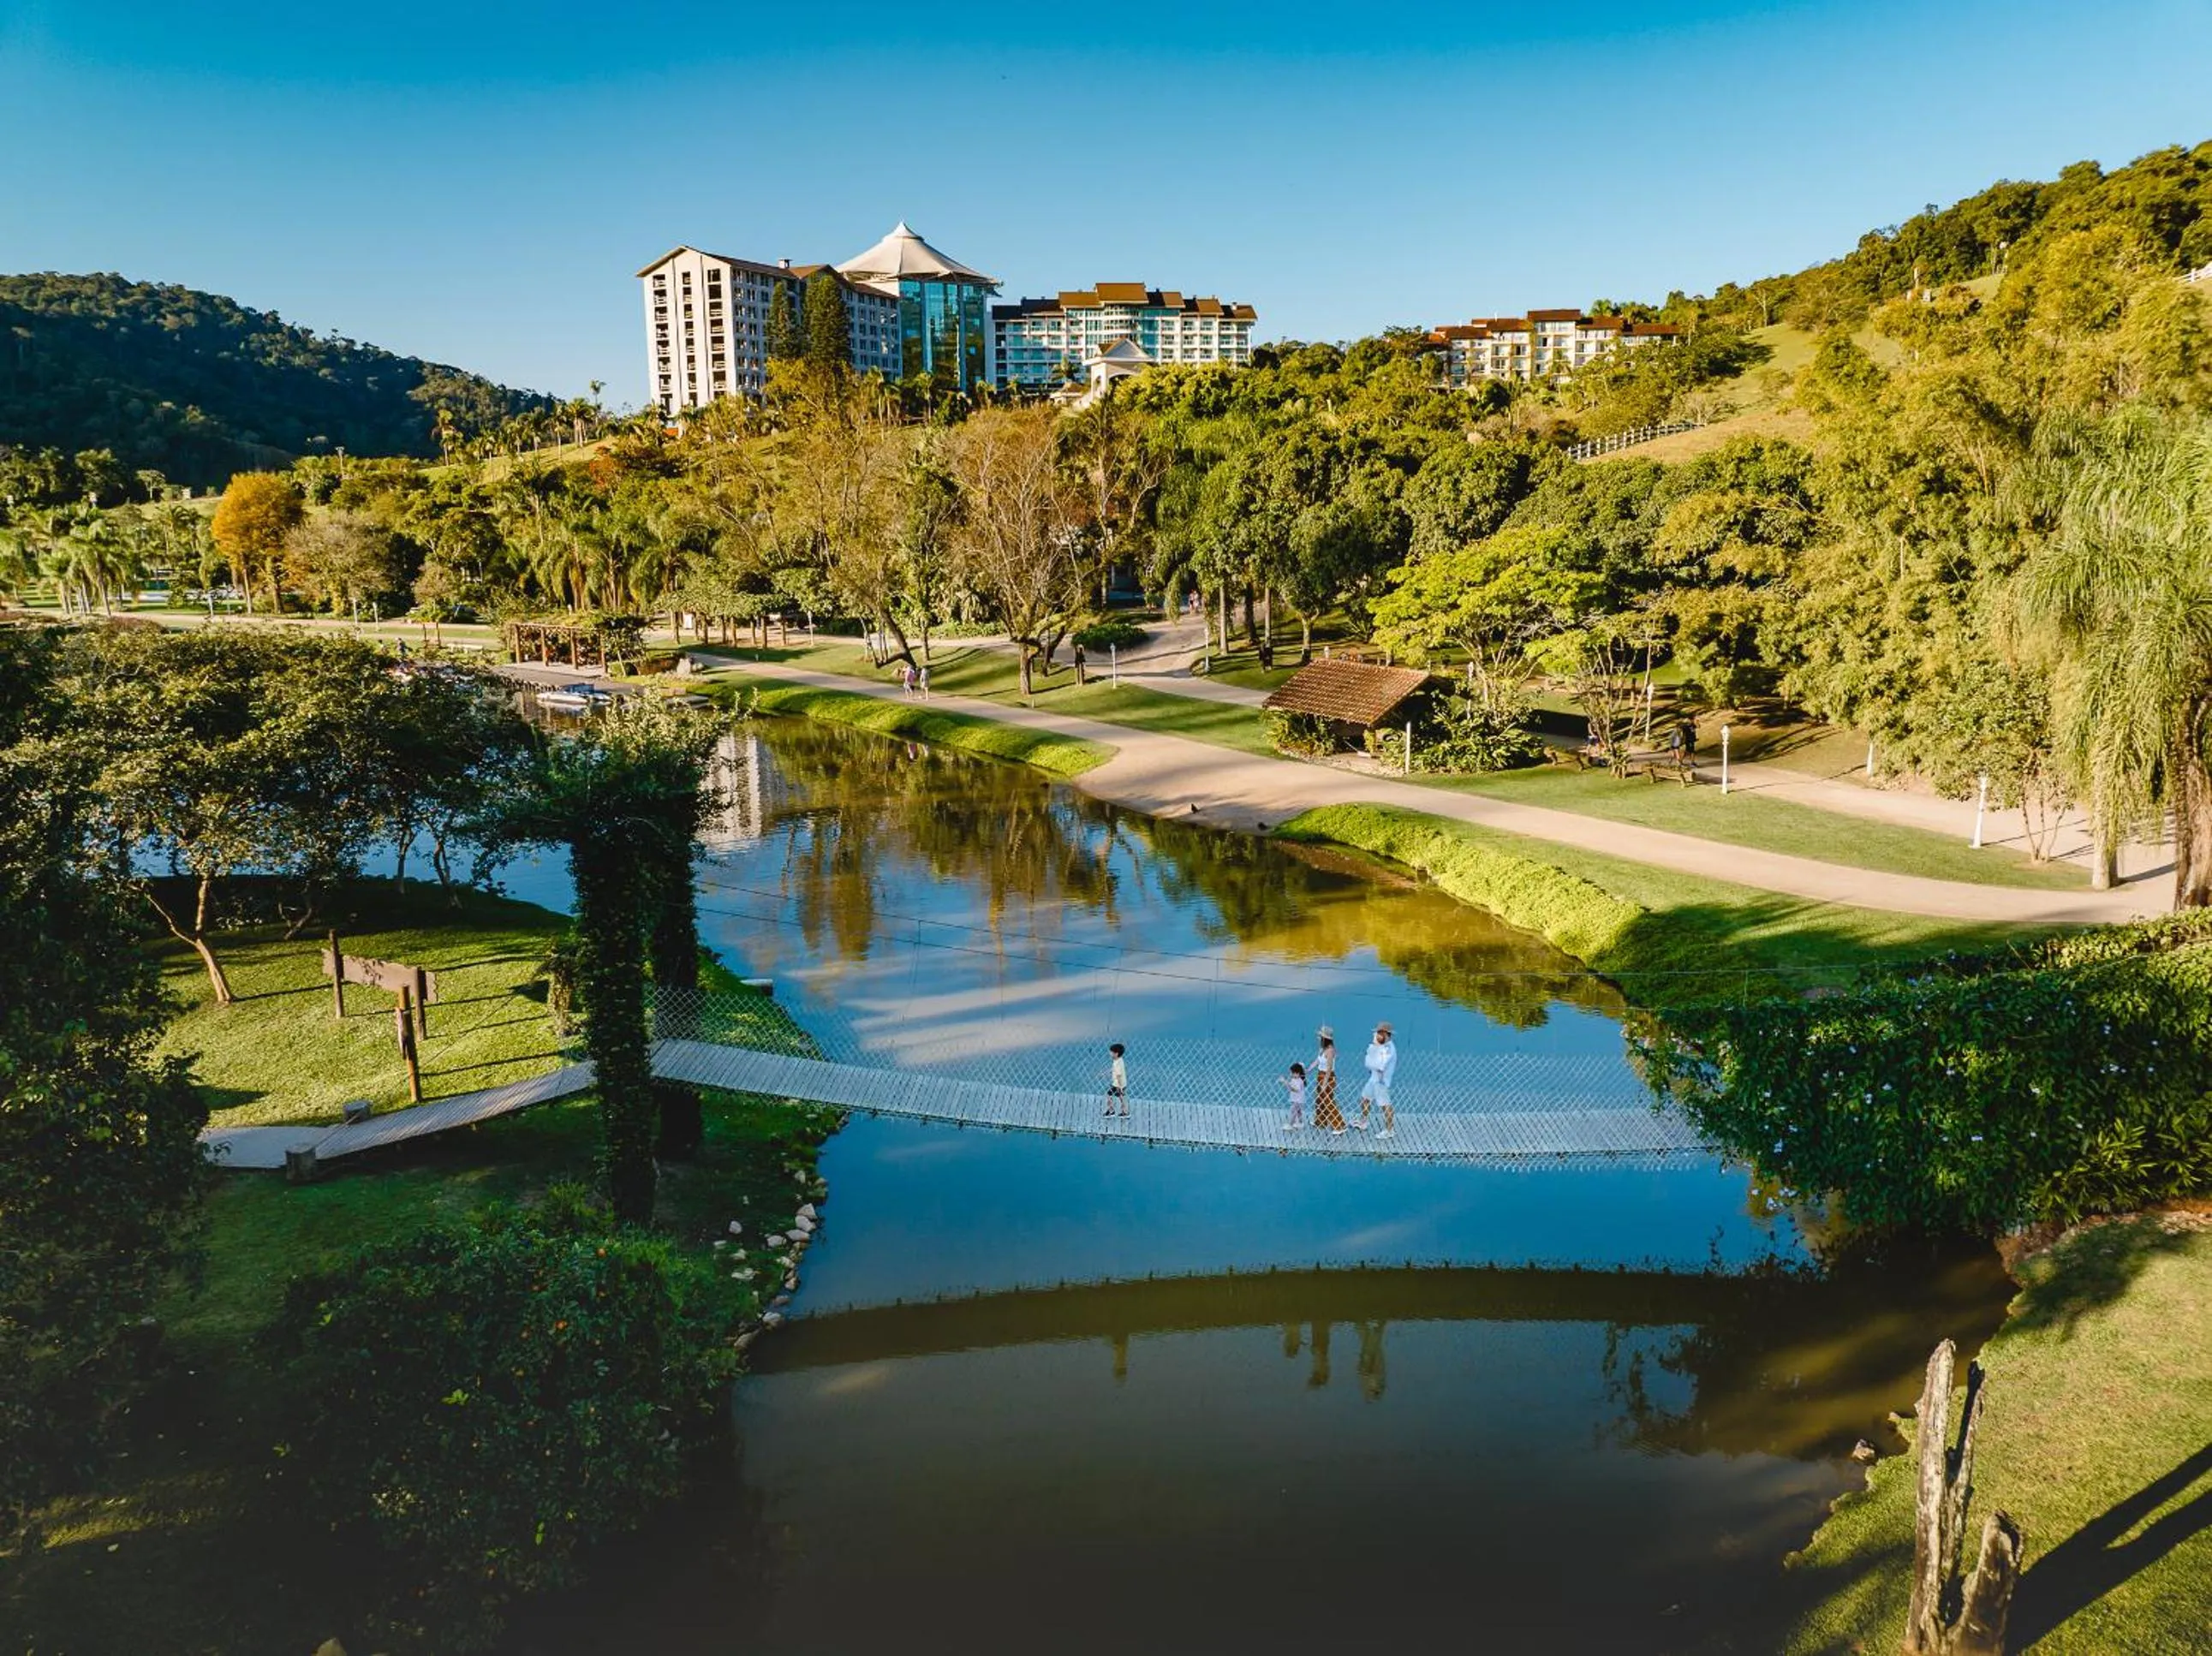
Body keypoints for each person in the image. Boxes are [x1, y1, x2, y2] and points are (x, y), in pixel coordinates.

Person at [1357, 1022, 1397, 1138]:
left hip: (1381, 1082)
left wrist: (1372, 1063)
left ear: (1386, 1034)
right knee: (1365, 1099)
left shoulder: (1389, 1049)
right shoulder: (1381, 1046)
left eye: (1379, 1033)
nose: (1377, 1035)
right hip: (1373, 1079)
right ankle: (1363, 1122)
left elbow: (1380, 1065)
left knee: (1385, 1105)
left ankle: (1389, 1130)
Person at [1312, 1027, 1344, 1135]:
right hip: (1320, 1075)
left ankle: (1339, 1125)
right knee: (1319, 1099)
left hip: (1328, 1077)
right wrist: (1309, 1069)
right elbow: (1318, 1061)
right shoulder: (1322, 1049)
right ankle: (1321, 1121)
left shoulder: (1330, 1051)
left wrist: (1325, 1082)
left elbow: (1329, 1068)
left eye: (1320, 1036)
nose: (1318, 1038)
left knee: (1328, 1101)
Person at [1281, 1060, 1307, 1131]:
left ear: (1298, 1073)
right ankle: (1300, 1123)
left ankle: (1290, 1124)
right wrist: (1286, 1083)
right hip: (1295, 1098)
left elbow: (1296, 1090)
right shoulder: (1294, 1079)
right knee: (1298, 1111)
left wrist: (1286, 1083)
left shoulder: (1299, 1081)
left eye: (1292, 1073)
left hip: (1298, 1099)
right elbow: (1290, 1089)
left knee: (1294, 1111)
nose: (1291, 1074)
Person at [1106, 1041, 1128, 1117]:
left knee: (1109, 1095)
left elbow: (1118, 1075)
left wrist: (1119, 1086)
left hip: (1117, 1084)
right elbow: (1114, 1069)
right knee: (1121, 1097)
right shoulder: (1120, 1060)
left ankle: (1111, 1111)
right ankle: (1124, 1112)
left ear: (1116, 1054)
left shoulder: (1117, 1063)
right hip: (1122, 1083)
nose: (1110, 1054)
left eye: (1111, 1052)